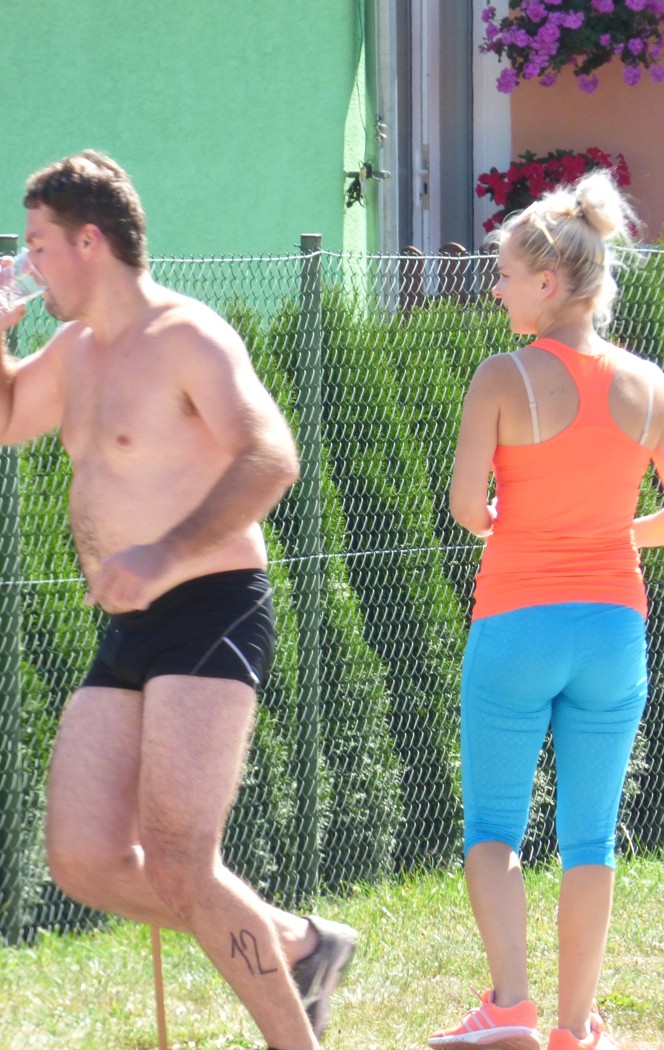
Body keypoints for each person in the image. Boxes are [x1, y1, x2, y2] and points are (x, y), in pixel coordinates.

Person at [0, 150, 357, 1050]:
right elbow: (1, 420)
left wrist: (166, 550)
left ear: (88, 242)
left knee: (181, 862)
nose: (27, 265)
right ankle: (300, 945)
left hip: (211, 606)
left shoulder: (187, 336)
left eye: (37, 245)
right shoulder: (76, 351)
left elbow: (272, 457)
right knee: (84, 860)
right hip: (129, 623)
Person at [439, 171, 657, 1050]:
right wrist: (616, 532)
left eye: (503, 275)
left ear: (549, 281)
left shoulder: (503, 376)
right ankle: (574, 1026)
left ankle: (510, 1007)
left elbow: (466, 508)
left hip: (516, 620)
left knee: (494, 827)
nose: (495, 290)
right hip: (613, 627)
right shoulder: (650, 383)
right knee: (591, 837)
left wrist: (512, 525)